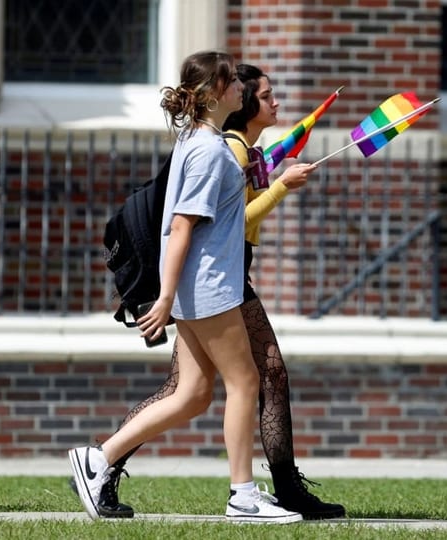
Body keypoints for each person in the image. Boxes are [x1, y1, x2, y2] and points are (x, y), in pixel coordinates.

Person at [72, 63, 345, 521]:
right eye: (237, 83)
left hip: (200, 285)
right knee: (246, 382)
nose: (243, 86)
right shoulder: (210, 152)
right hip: (209, 285)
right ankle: (243, 495)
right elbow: (181, 227)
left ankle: (97, 460)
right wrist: (165, 298)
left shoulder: (202, 143)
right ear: (219, 91)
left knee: (193, 394)